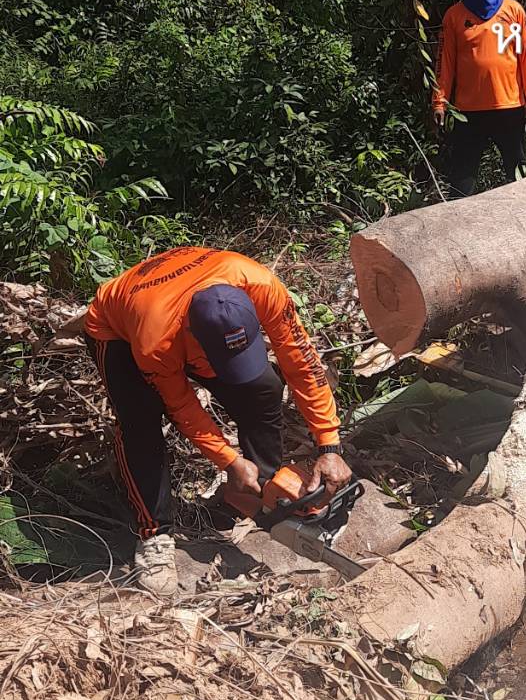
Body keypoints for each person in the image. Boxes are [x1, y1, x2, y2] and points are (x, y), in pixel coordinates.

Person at [84, 246, 352, 596]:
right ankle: (153, 536)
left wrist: (329, 443)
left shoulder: (261, 285)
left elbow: (303, 362)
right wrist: (228, 460)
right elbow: (182, 408)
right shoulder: (155, 341)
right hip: (118, 327)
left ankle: (258, 498)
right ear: (192, 337)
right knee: (141, 422)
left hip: (188, 302)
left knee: (264, 388)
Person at [432, 0, 526, 196]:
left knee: (518, 178)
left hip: (510, 108)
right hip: (468, 113)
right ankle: (458, 226)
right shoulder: (454, 17)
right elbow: (445, 64)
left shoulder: (513, 11)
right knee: (461, 182)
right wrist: (439, 102)